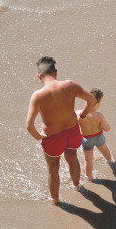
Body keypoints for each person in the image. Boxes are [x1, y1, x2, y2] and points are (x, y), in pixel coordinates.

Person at [26, 56, 97, 204]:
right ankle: (77, 185)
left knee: (53, 167)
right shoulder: (70, 85)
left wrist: (39, 137)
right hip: (72, 130)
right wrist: (82, 114)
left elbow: (29, 125)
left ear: (39, 76)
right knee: (72, 156)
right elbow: (92, 100)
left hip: (52, 136)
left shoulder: (38, 96)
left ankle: (55, 200)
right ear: (56, 72)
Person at [76, 88, 114, 181]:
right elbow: (107, 129)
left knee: (88, 160)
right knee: (104, 150)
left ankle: (88, 177)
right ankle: (110, 161)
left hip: (86, 140)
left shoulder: (78, 114)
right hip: (98, 137)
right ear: (96, 104)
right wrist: (103, 125)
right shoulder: (99, 115)